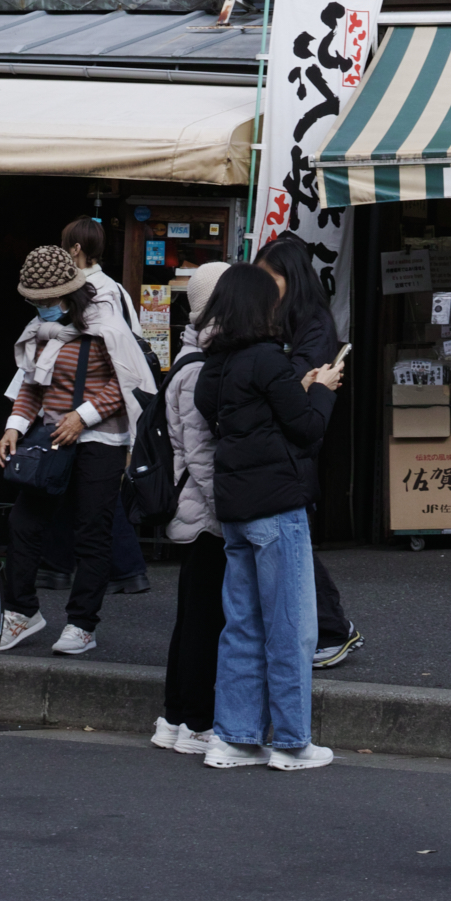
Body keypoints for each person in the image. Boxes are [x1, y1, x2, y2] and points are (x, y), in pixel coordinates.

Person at [196, 262, 342, 772]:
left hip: (234, 506)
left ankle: (233, 737)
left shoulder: (212, 365)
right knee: (290, 626)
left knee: (241, 626)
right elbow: (305, 428)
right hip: (277, 506)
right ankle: (293, 741)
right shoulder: (266, 359)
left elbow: (251, 417)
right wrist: (322, 388)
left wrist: (297, 386)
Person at [0, 245, 157, 657]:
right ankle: (20, 612)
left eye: (47, 302)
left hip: (100, 441)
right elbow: (32, 383)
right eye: (36, 302)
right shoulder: (40, 329)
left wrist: (82, 416)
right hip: (52, 435)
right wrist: (15, 426)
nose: (42, 309)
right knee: (24, 523)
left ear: (69, 294)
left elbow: (126, 382)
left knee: (92, 532)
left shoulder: (104, 321)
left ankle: (82, 624)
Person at [256, 230, 364, 669]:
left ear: (291, 278)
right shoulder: (279, 318)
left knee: (292, 538)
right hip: (281, 437)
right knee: (285, 538)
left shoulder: (315, 323)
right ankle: (321, 629)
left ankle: (335, 630)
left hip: (299, 438)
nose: (264, 287)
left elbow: (299, 383)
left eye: (270, 278)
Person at [36, 216, 152, 597]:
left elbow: (117, 352)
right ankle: (62, 567)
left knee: (93, 500)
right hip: (87, 406)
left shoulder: (93, 290)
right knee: (77, 492)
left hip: (92, 405)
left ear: (75, 250)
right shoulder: (116, 287)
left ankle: (116, 571)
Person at [154, 260, 230, 758]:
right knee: (204, 619)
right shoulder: (199, 366)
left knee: (192, 617)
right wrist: (229, 509)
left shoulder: (190, 358)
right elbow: (201, 455)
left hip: (195, 510)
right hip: (204, 514)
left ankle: (175, 717)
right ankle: (195, 720)